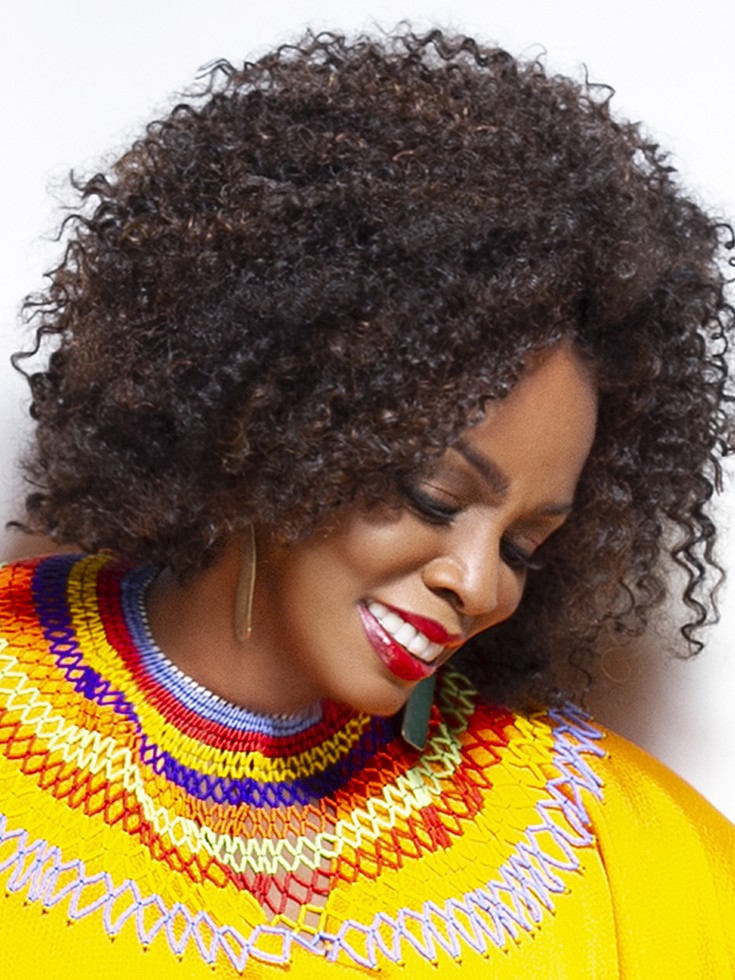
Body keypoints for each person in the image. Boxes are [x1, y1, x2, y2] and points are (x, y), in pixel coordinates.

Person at [0, 27, 733, 978]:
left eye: (522, 547)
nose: (476, 583)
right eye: (433, 497)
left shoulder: (587, 843)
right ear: (270, 420)